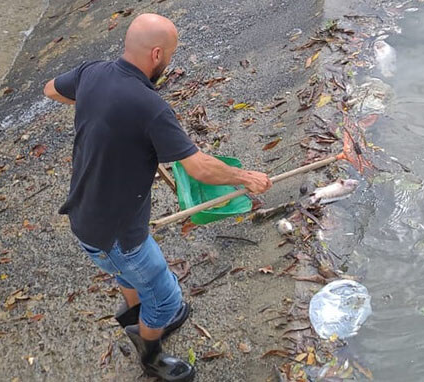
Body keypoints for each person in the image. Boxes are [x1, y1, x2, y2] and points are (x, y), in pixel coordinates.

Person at [43, 13, 272, 382]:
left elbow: (51, 89)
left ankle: (134, 314)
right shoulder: (151, 108)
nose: (169, 61)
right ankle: (150, 355)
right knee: (165, 298)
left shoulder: (91, 73)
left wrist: (103, 113)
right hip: (117, 236)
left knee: (126, 273)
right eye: (170, 54)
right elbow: (198, 167)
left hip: (85, 217)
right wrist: (245, 178)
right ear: (155, 54)